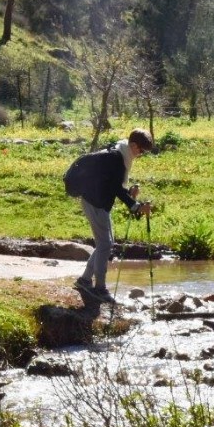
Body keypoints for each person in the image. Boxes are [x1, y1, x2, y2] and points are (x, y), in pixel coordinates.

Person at [73, 128, 153, 304]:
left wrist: (129, 192)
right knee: (105, 244)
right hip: (96, 203)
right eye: (141, 150)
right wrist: (136, 206)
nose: (141, 154)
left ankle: (85, 280)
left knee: (104, 243)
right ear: (133, 145)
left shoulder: (120, 151)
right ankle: (99, 288)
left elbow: (113, 183)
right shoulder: (117, 158)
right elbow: (116, 188)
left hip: (96, 200)